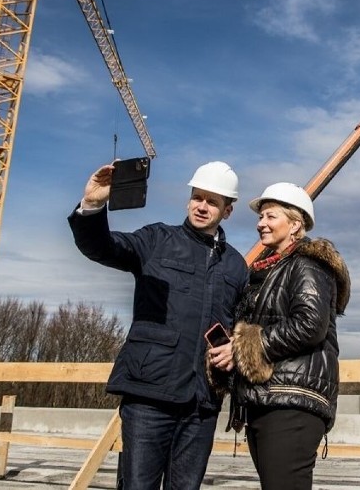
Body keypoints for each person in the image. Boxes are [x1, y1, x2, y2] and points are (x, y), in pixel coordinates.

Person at [68, 160, 248, 490]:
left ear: (228, 211)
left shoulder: (236, 266)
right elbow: (102, 247)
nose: (202, 206)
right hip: (149, 396)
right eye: (198, 197)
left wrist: (236, 350)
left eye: (212, 201)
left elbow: (242, 325)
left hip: (202, 403)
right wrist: (93, 205)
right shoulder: (157, 240)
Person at [207, 182, 350, 490]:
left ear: (295, 224)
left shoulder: (307, 264)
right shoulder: (269, 271)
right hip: (270, 400)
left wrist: (243, 347)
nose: (261, 224)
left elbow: (311, 325)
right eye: (261, 218)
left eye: (271, 217)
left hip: (293, 403)